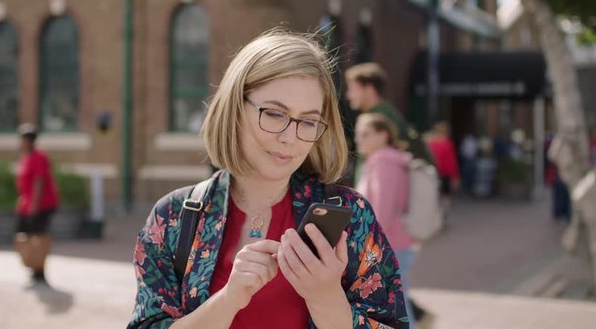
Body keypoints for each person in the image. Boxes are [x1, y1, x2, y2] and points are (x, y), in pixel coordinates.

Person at [128, 30, 408, 328]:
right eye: (275, 114)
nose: (290, 137)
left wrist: (326, 298)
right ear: (235, 108)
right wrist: (229, 299)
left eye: (309, 121)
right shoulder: (173, 217)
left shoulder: (352, 217)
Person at [354, 113, 419, 328]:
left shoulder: (384, 162)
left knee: (399, 310)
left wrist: (369, 249)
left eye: (365, 134)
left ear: (383, 135)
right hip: (392, 244)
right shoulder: (381, 160)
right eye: (358, 134)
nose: (359, 140)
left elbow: (382, 210)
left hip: (389, 246)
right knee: (396, 307)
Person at [344, 62, 433, 168]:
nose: (348, 96)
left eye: (352, 89)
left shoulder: (380, 118)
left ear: (369, 89)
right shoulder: (386, 113)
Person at [15, 123, 59, 283]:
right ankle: (33, 267)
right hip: (28, 204)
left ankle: (39, 271)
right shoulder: (26, 157)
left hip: (41, 205)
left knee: (37, 237)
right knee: (25, 235)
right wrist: (22, 200)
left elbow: (39, 181)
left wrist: (34, 204)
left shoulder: (39, 157)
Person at [425, 121, 459, 215]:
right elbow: (451, 161)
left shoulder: (430, 142)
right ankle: (444, 214)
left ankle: (435, 215)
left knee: (435, 194)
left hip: (433, 172)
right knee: (446, 195)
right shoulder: (447, 143)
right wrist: (455, 176)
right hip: (445, 173)